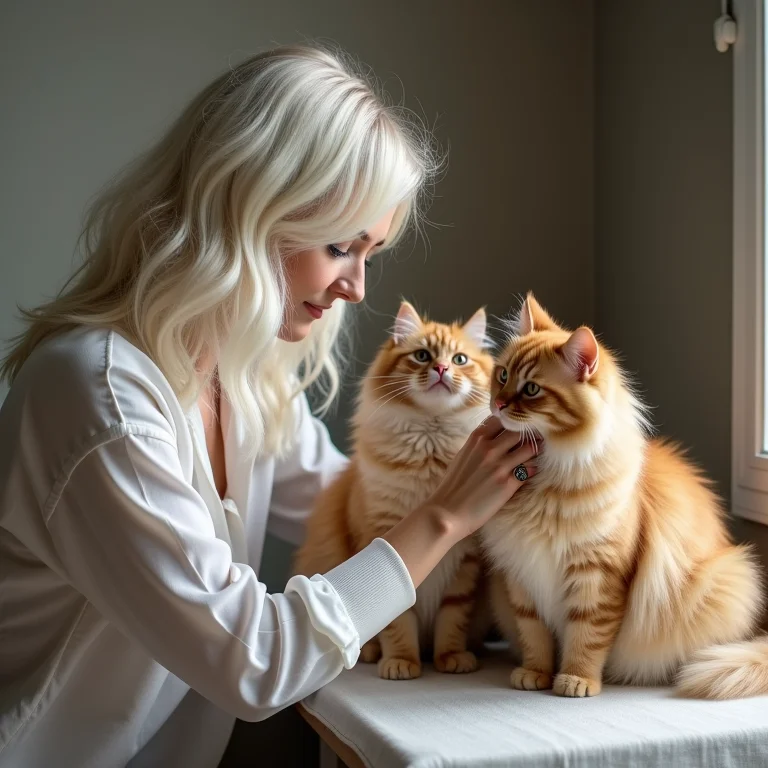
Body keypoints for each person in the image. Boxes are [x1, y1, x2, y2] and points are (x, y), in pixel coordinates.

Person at [0, 45, 537, 768]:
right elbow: (255, 663)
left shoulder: (241, 378)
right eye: (342, 246)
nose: (358, 288)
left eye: (371, 254)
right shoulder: (100, 402)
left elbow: (344, 503)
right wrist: (443, 514)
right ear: (246, 210)